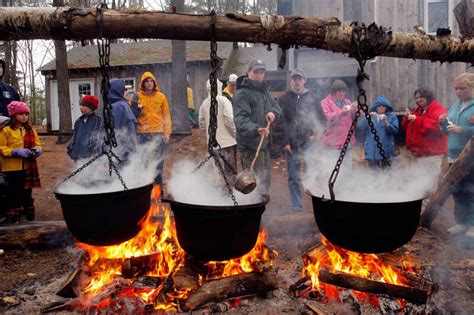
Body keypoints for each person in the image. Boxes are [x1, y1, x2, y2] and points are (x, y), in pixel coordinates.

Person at [233, 59, 281, 195]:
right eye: (256, 72)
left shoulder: (264, 92)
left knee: (265, 183)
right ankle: (252, 211)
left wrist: (273, 113)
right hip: (250, 148)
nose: (259, 75)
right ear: (248, 72)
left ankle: (262, 211)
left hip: (263, 146)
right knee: (253, 185)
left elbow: (276, 106)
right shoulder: (242, 94)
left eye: (262, 72)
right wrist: (256, 129)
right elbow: (240, 119)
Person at [278, 68, 323, 211]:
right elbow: (280, 122)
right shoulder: (283, 98)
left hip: (309, 142)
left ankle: (314, 204)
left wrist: (316, 134)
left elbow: (322, 119)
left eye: (299, 79)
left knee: (313, 172)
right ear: (290, 81)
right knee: (293, 175)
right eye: (294, 79)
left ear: (305, 80)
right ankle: (297, 205)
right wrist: (285, 142)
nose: (297, 82)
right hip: (290, 143)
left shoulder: (313, 98)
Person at [439, 72, 474, 238]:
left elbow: (465, 130)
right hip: (453, 154)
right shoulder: (455, 105)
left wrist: (463, 130)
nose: (458, 91)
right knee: (457, 190)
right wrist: (443, 123)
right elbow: (446, 131)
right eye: (456, 88)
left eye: (462, 88)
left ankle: (473, 224)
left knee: (471, 189)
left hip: (470, 156)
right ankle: (461, 222)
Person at [0, 101, 42, 223]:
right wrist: (15, 152)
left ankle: (28, 213)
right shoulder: (5, 130)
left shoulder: (30, 130)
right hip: (11, 168)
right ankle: (14, 215)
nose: (24, 116)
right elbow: (1, 147)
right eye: (21, 114)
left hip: (28, 167)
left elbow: (37, 144)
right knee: (13, 192)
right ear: (13, 115)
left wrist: (38, 150)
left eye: (26, 114)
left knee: (27, 191)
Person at [133, 72, 171, 187]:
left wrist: (167, 133)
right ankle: (144, 188)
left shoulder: (161, 96)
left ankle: (158, 189)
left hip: (158, 133)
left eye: (151, 81)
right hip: (142, 133)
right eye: (146, 81)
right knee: (143, 162)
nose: (149, 83)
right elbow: (132, 115)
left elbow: (166, 116)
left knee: (158, 162)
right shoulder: (136, 97)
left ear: (154, 83)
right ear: (142, 83)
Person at [402, 87, 447, 171]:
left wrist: (417, 119)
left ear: (428, 96)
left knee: (430, 180)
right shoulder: (418, 110)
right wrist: (406, 117)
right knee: (419, 180)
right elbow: (407, 128)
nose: (418, 100)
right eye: (416, 98)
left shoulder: (437, 108)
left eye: (421, 97)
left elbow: (437, 127)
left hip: (431, 154)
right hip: (418, 153)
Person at [199, 79, 237, 179]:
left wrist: (210, 134)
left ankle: (218, 193)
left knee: (217, 172)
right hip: (227, 143)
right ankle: (231, 193)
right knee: (230, 170)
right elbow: (230, 120)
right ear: (219, 87)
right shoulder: (224, 100)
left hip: (212, 145)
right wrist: (235, 135)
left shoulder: (204, 103)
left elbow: (201, 124)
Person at [320, 79, 357, 166]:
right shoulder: (325, 103)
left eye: (344, 91)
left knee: (347, 171)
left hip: (347, 142)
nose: (342, 94)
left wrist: (356, 109)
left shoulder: (347, 102)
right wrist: (340, 113)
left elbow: (355, 119)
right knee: (332, 170)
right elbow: (326, 118)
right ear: (333, 92)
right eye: (339, 91)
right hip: (332, 145)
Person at [358, 96, 399, 168]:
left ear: (386, 107)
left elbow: (395, 130)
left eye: (383, 106)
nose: (381, 107)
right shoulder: (370, 116)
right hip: (372, 152)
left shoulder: (392, 117)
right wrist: (368, 117)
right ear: (375, 107)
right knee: (373, 175)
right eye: (379, 105)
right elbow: (360, 127)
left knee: (386, 175)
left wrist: (386, 123)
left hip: (386, 151)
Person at [108, 78, 137, 161]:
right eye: (124, 90)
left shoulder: (119, 106)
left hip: (124, 151)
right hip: (125, 151)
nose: (127, 93)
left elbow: (117, 130)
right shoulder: (120, 105)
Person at [67, 95, 103, 161]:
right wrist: (71, 149)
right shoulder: (78, 121)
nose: (81, 107)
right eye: (80, 105)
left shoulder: (98, 121)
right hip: (77, 157)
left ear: (91, 107)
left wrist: (97, 156)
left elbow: (99, 139)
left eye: (84, 106)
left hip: (90, 158)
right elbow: (74, 137)